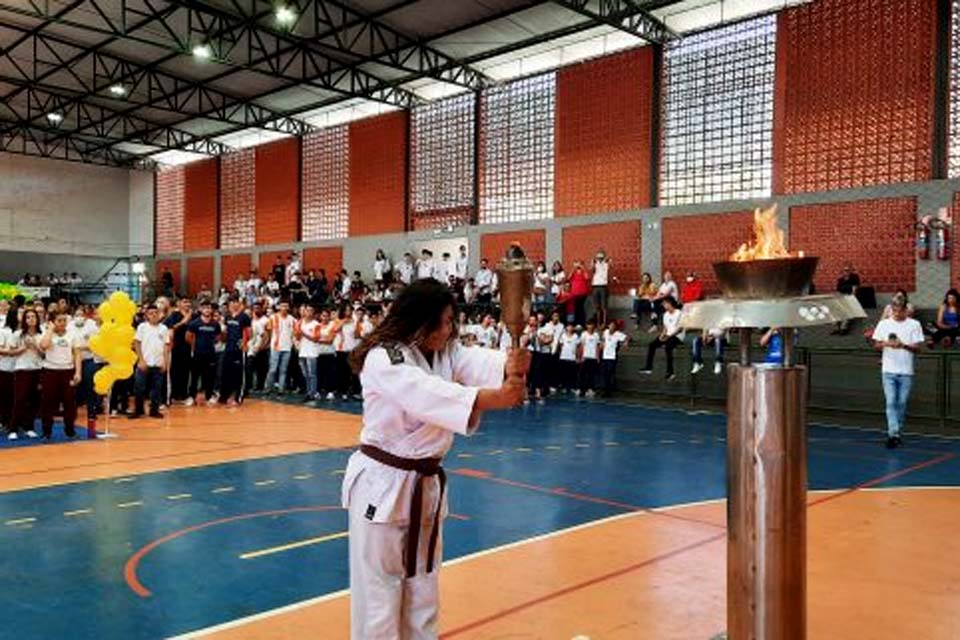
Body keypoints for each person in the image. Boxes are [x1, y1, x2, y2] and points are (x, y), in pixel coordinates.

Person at [341, 279, 528, 640]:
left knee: (424, 591)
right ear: (418, 321)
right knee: (379, 599)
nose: (447, 330)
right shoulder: (384, 357)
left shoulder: (446, 352)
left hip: (425, 486)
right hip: (382, 485)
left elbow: (481, 363)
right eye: (441, 322)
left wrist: (512, 363)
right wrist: (496, 398)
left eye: (450, 322)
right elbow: (427, 395)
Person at [872, 297, 923, 448]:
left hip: (906, 370)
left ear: (906, 310)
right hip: (888, 370)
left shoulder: (914, 324)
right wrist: (886, 343)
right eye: (894, 311)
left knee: (901, 402)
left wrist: (903, 345)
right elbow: (876, 345)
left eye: (900, 311)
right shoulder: (884, 324)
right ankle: (893, 434)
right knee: (890, 401)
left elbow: (918, 348)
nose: (897, 314)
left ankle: (897, 432)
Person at [38, 312, 82, 438]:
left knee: (70, 402)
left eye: (64, 320)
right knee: (48, 402)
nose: (62, 323)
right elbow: (44, 346)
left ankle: (70, 430)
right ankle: (46, 431)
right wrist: (50, 329)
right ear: (52, 322)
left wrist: (78, 372)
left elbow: (77, 354)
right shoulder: (47, 333)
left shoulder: (73, 334)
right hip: (50, 371)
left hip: (67, 371)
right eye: (59, 320)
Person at [130, 304, 170, 419]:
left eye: (156, 313)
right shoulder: (142, 327)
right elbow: (137, 343)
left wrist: (165, 362)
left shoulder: (164, 328)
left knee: (156, 389)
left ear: (159, 314)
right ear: (146, 315)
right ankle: (138, 410)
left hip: (158, 362)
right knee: (139, 388)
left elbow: (166, 346)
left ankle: (154, 410)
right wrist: (141, 360)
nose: (154, 315)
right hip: (144, 362)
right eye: (151, 313)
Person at [10, 309, 43, 438]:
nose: (31, 319)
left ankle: (29, 426)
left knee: (35, 400)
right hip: (22, 369)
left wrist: (35, 346)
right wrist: (24, 348)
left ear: (37, 319)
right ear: (24, 320)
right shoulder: (18, 334)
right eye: (28, 317)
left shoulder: (41, 334)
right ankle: (13, 429)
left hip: (38, 369)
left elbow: (44, 355)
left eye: (33, 317)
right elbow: (11, 352)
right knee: (20, 399)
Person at [639, 296, 682, 381]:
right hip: (667, 335)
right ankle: (648, 368)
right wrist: (662, 336)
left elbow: (680, 328)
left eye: (665, 304)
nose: (663, 306)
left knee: (668, 347)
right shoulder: (665, 315)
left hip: (677, 336)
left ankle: (670, 372)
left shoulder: (679, 313)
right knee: (652, 345)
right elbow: (665, 328)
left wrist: (669, 336)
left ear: (670, 303)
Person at [186, 301, 221, 406]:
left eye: (209, 308)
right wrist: (196, 345)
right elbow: (188, 337)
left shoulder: (215, 324)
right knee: (194, 377)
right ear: (201, 309)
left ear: (211, 310)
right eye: (205, 308)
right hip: (197, 354)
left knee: (209, 377)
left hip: (210, 354)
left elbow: (218, 337)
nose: (207, 310)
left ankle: (209, 396)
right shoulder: (194, 323)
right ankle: (192, 397)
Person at [219, 298, 251, 406]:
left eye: (235, 302)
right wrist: (223, 335)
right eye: (231, 302)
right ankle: (224, 396)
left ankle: (238, 397)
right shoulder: (227, 317)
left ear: (239, 304)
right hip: (228, 348)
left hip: (239, 350)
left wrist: (244, 342)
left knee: (239, 374)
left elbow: (249, 333)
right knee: (226, 372)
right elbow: (224, 333)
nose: (233, 304)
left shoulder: (244, 317)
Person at [164, 298, 194, 404]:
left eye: (189, 302)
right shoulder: (174, 315)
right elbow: (169, 328)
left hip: (188, 348)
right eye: (185, 302)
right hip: (176, 347)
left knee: (185, 372)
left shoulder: (194, 315)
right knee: (175, 371)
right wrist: (183, 322)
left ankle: (183, 395)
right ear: (179, 303)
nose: (187, 304)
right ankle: (173, 395)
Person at [264, 300, 296, 394]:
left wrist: (293, 343)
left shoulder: (292, 319)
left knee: (283, 369)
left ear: (288, 308)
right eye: (282, 306)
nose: (284, 308)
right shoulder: (273, 317)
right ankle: (268, 387)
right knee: (273, 369)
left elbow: (295, 332)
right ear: (279, 307)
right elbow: (267, 329)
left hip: (287, 347)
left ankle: (281, 389)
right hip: (275, 346)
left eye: (286, 306)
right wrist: (269, 341)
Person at [295, 302, 322, 402]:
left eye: (311, 311)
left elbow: (316, 338)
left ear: (313, 312)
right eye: (307, 310)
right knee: (305, 374)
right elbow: (297, 337)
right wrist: (298, 334)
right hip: (302, 351)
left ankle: (312, 393)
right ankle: (308, 392)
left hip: (312, 352)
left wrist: (303, 333)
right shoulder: (300, 322)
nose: (309, 312)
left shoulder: (316, 324)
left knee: (312, 374)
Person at [0, 308, 17, 437]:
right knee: (5, 397)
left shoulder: (22, 332)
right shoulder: (4, 331)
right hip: (5, 368)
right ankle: (4, 421)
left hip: (20, 368)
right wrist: (13, 351)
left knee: (17, 398)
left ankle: (15, 422)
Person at [600, 320, 628, 397]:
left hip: (612, 357)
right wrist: (602, 343)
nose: (612, 327)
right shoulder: (605, 332)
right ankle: (606, 390)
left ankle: (608, 391)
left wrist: (626, 343)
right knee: (605, 374)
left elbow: (627, 337)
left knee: (609, 374)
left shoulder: (618, 334)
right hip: (605, 356)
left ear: (615, 327)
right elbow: (603, 339)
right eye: (610, 325)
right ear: (608, 326)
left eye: (613, 325)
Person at [578, 320, 600, 397]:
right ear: (586, 326)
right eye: (589, 325)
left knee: (592, 375)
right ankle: (582, 390)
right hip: (585, 357)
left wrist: (597, 357)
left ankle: (591, 389)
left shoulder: (596, 335)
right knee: (582, 374)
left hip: (593, 357)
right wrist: (580, 356)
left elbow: (597, 346)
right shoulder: (583, 334)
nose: (590, 326)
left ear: (594, 326)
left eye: (591, 325)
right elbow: (581, 346)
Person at [557, 324, 581, 394]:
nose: (570, 328)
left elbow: (578, 347)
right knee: (564, 373)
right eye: (568, 327)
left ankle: (572, 387)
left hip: (572, 358)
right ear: (566, 328)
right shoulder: (563, 336)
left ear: (573, 328)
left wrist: (577, 357)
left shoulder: (576, 336)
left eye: (571, 327)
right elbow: (561, 345)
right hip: (563, 357)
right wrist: (561, 354)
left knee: (572, 374)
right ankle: (564, 387)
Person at [591, 251, 612, 327]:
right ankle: (598, 323)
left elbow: (610, 268)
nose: (599, 258)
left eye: (601, 257)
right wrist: (593, 263)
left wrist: (607, 261)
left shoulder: (606, 264)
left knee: (604, 306)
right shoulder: (595, 264)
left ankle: (604, 323)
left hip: (603, 286)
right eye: (598, 257)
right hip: (595, 286)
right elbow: (592, 270)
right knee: (596, 306)